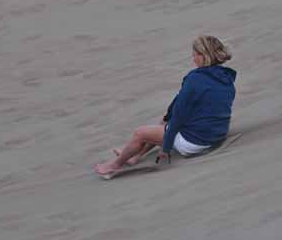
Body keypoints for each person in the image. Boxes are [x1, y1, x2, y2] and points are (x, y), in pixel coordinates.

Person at [93, 35, 237, 176]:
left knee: (140, 133)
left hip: (196, 142)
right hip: (217, 135)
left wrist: (166, 148)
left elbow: (178, 117)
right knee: (164, 123)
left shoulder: (195, 79)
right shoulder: (226, 78)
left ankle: (114, 165)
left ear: (203, 56)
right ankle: (135, 156)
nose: (193, 58)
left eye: (194, 55)